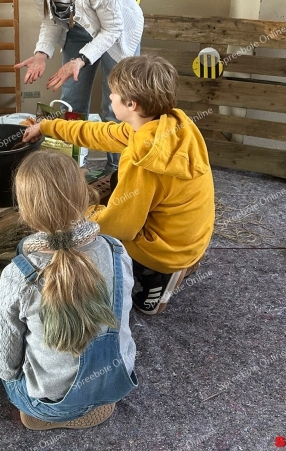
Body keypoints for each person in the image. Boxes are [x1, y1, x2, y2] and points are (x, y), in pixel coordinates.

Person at [22, 55, 215, 315]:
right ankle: (181, 260)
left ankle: (155, 276)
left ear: (131, 104)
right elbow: (100, 133)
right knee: (116, 183)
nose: (110, 98)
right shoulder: (169, 124)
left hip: (170, 248)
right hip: (193, 231)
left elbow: (119, 225)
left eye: (113, 94)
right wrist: (47, 126)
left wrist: (77, 215)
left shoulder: (143, 161)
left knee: (98, 241)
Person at [0, 150, 137, 430]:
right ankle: (91, 404)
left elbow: (5, 367)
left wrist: (5, 317)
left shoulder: (17, 274)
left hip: (49, 406)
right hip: (114, 384)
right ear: (83, 196)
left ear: (25, 209)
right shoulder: (116, 249)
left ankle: (45, 415)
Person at [14, 0, 143, 172]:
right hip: (77, 28)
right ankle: (70, 169)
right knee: (70, 102)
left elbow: (113, 27)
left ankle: (118, 172)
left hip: (117, 32)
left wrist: (80, 60)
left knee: (115, 107)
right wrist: (42, 52)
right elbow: (50, 20)